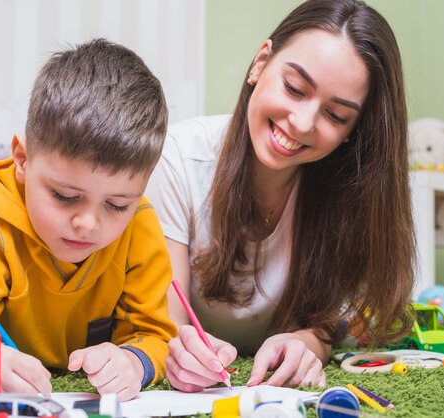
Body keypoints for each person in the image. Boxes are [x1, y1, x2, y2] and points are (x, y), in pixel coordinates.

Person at [146, 0, 415, 392]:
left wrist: (310, 343)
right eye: (294, 88)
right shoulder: (178, 159)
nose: (303, 124)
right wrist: (183, 351)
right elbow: (169, 324)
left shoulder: (353, 190)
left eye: (336, 116)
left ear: (353, 132)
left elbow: (334, 323)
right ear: (260, 63)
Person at [0, 39, 176, 401]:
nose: (87, 223)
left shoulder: (140, 226)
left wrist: (133, 361)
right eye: (66, 197)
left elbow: (154, 334)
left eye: (117, 204)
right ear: (22, 160)